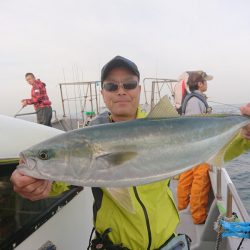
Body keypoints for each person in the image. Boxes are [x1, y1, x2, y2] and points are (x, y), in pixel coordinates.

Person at [11, 57, 250, 249]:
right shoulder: (89, 136)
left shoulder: (163, 124)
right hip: (116, 243)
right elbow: (60, 179)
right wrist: (34, 181)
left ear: (139, 89)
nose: (121, 90)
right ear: (103, 93)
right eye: (111, 86)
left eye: (129, 84)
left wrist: (245, 135)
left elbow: (220, 150)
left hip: (168, 240)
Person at [177, 71, 213, 224]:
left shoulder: (192, 99)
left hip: (189, 148)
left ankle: (181, 205)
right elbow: (194, 126)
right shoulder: (195, 101)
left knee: (187, 175)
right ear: (200, 84)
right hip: (198, 148)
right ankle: (198, 217)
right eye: (205, 81)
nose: (207, 84)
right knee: (200, 178)